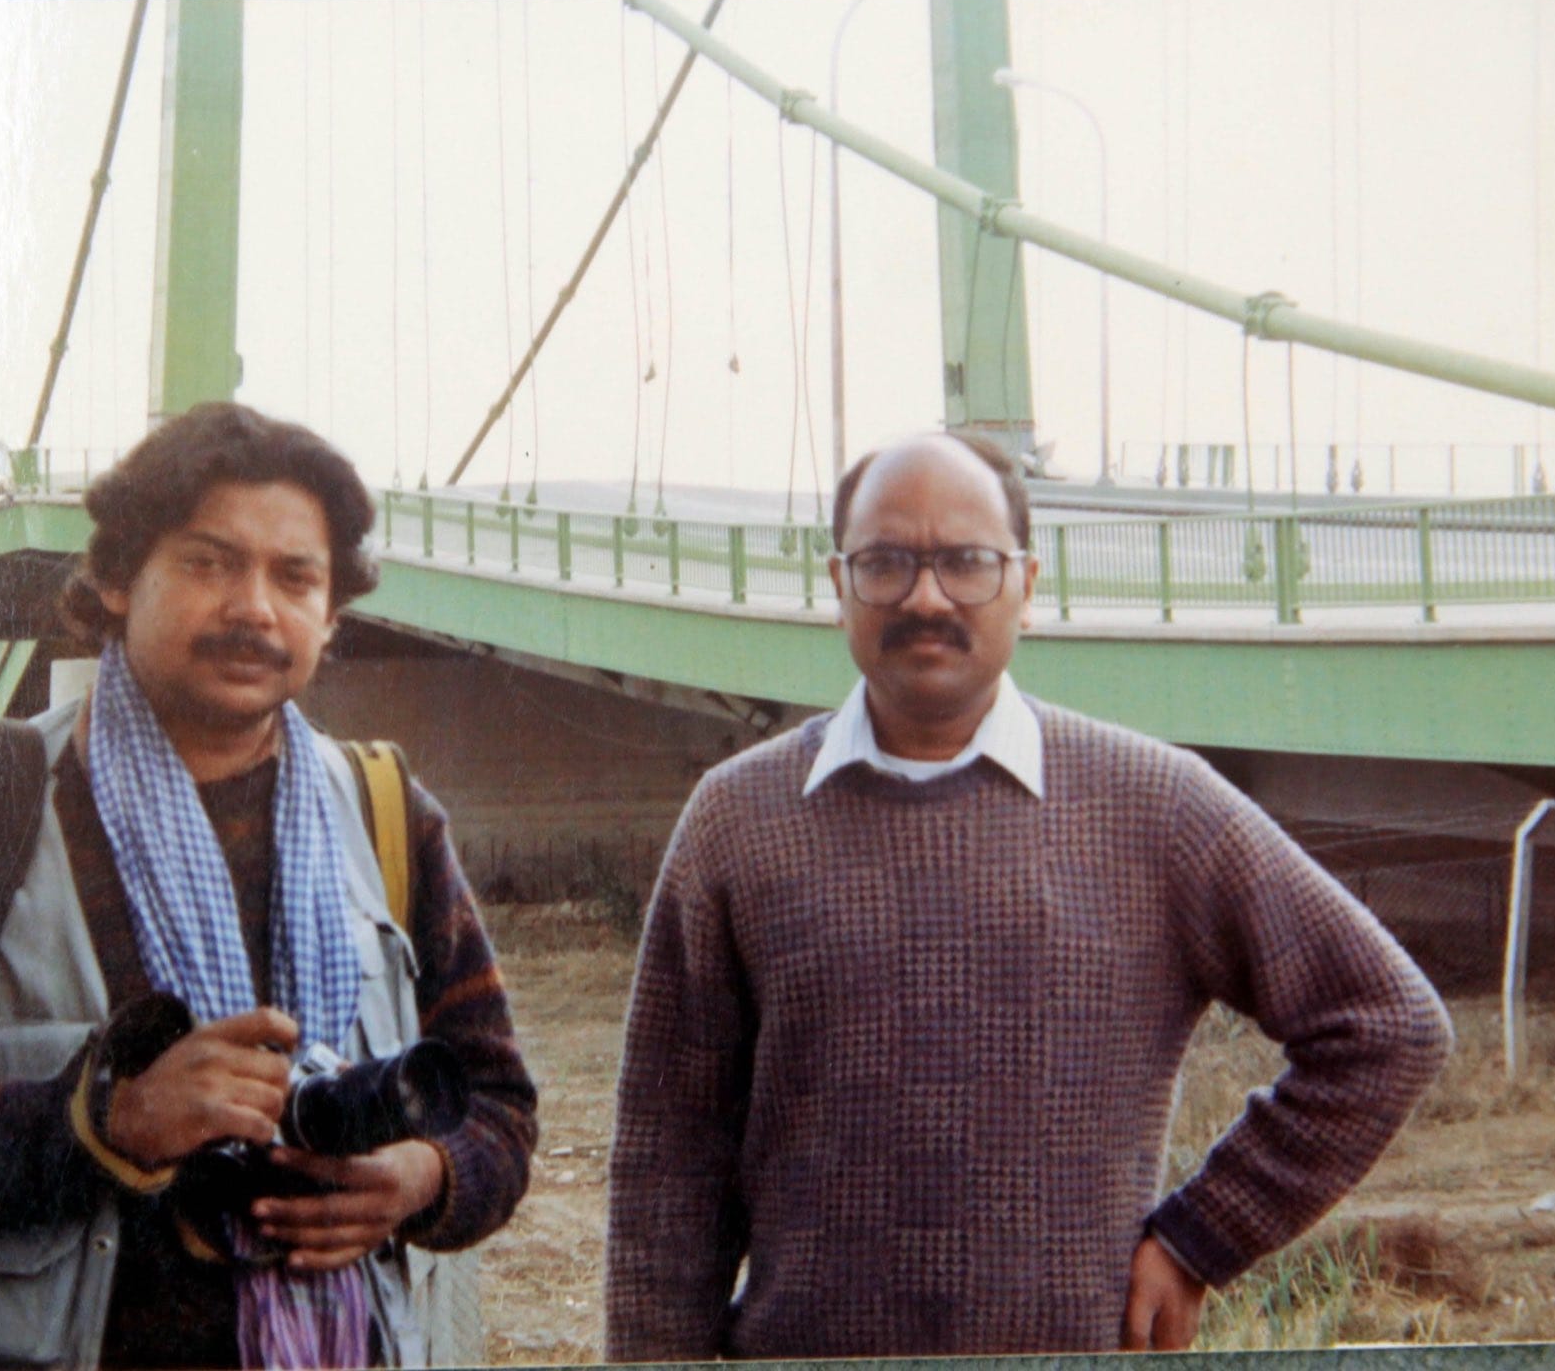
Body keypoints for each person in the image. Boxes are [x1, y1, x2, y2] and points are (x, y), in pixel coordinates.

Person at [0, 403, 537, 1369]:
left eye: (295, 576)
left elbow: (498, 1108)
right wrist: (101, 1119)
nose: (254, 607)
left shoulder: (389, 816)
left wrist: (421, 1176)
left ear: (331, 614)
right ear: (113, 578)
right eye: (207, 562)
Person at [605, 431, 1451, 1359]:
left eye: (966, 562)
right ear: (837, 584)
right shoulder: (738, 820)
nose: (926, 596)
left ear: (1028, 585)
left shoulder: (1155, 806)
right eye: (885, 562)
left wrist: (1200, 1238)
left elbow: (1386, 1024)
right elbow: (667, 1173)